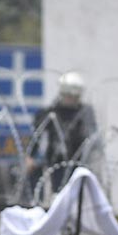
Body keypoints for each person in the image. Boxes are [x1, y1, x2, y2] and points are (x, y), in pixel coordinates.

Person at [24, 71, 99, 200]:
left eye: (74, 97)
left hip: (77, 162)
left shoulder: (84, 113)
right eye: (67, 96)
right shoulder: (52, 112)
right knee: (56, 193)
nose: (70, 100)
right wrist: (31, 156)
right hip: (56, 162)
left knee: (75, 197)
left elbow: (92, 136)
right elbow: (37, 134)